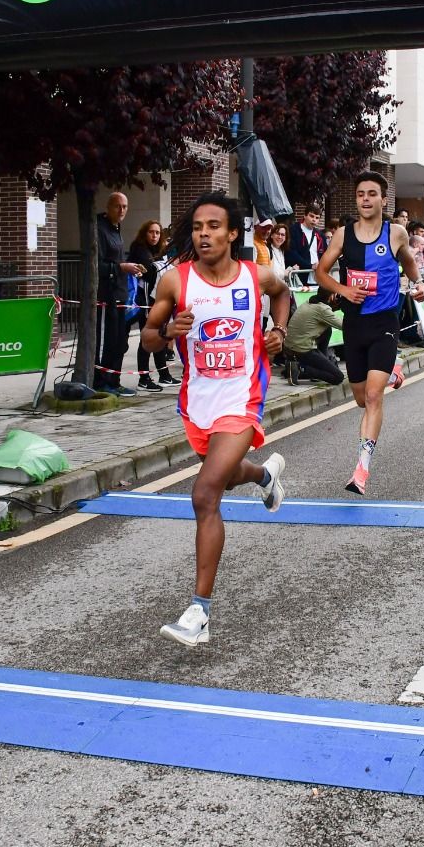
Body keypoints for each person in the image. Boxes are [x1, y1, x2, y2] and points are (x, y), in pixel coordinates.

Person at [140, 192, 291, 647]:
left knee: (205, 493)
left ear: (231, 233)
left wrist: (278, 331)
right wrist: (167, 332)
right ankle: (264, 475)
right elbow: (147, 338)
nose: (203, 233)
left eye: (213, 226)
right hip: (198, 401)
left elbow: (283, 294)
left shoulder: (256, 275)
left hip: (243, 398)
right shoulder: (175, 281)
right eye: (198, 226)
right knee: (222, 479)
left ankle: (198, 612)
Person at [314, 170, 424, 495]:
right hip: (354, 323)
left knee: (374, 397)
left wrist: (417, 284)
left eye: (372, 194)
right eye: (361, 194)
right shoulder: (342, 235)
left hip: (384, 323)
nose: (365, 199)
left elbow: (408, 263)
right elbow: (321, 272)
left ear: (382, 199)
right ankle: (392, 370)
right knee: (362, 398)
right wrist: (343, 290)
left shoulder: (396, 233)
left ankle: (361, 468)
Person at [96, 192, 144, 397]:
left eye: (125, 206)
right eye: (117, 206)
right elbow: (98, 265)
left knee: (120, 343)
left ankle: (114, 381)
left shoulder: (116, 229)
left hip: (121, 294)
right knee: (106, 342)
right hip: (106, 296)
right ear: (108, 207)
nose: (122, 210)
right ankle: (100, 382)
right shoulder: (100, 229)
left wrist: (130, 268)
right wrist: (121, 268)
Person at [128, 219, 177, 393]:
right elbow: (150, 272)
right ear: (144, 233)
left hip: (157, 301)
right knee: (146, 340)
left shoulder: (158, 250)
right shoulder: (139, 249)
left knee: (160, 337)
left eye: (157, 232)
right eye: (151, 232)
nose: (154, 236)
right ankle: (144, 378)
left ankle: (164, 374)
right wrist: (164, 267)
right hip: (143, 302)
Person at [281, 289, 345, 385]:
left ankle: (292, 371)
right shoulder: (323, 310)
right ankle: (299, 368)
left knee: (327, 329)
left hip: (289, 348)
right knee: (338, 377)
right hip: (302, 351)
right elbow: (344, 326)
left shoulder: (309, 302)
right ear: (331, 296)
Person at [285, 207, 326, 285]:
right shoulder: (294, 230)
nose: (314, 220)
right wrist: (310, 266)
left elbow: (325, 253)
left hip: (317, 277)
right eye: (311, 216)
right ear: (304, 216)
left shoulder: (320, 235)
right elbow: (291, 253)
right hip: (300, 276)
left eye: (317, 218)